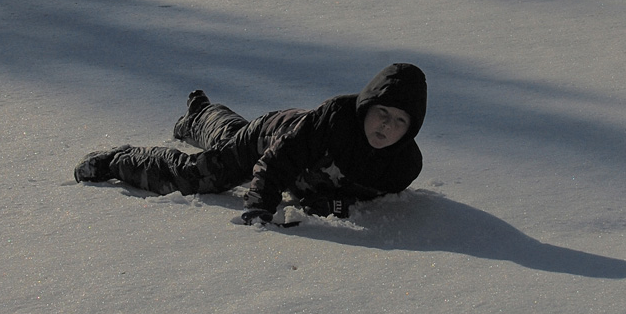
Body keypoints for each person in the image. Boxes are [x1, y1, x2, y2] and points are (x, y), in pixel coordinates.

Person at [73, 63, 427, 226]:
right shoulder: (333, 119)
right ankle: (117, 161)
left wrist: (332, 202)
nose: (387, 125)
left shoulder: (403, 166)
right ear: (365, 107)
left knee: (228, 138)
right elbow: (276, 162)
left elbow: (365, 193)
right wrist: (261, 205)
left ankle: (201, 114)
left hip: (288, 157)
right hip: (271, 138)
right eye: (382, 112)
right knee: (198, 176)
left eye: (399, 121)